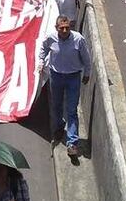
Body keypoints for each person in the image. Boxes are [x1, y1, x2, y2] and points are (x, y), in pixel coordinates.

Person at [39, 15, 93, 155]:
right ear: (56, 28)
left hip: (73, 77)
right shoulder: (50, 38)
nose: (64, 30)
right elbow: (43, 49)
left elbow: (86, 58)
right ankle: (58, 127)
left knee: (71, 109)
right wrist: (40, 62)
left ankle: (72, 142)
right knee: (56, 106)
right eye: (61, 28)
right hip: (56, 76)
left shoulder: (78, 39)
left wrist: (87, 73)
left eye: (67, 28)